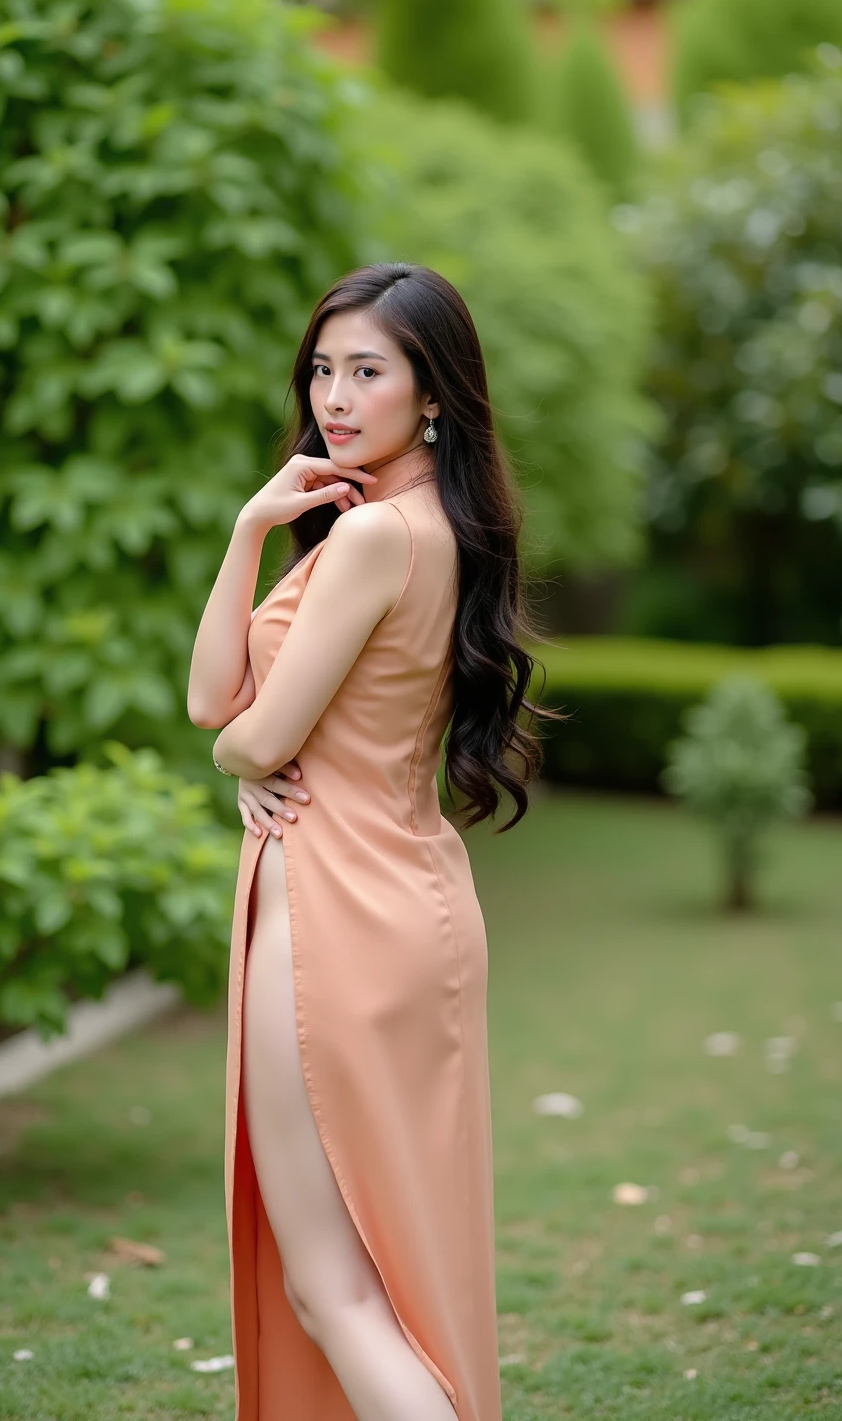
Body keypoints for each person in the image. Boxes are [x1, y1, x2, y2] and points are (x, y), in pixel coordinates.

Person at [187, 262, 561, 1420]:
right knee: (385, 1281)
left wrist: (238, 765)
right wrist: (256, 524)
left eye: (368, 371)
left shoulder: (368, 542)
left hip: (335, 913)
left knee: (334, 1292)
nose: (335, 396)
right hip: (413, 896)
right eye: (322, 368)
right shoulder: (438, 526)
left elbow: (246, 737)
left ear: (433, 395)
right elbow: (220, 701)